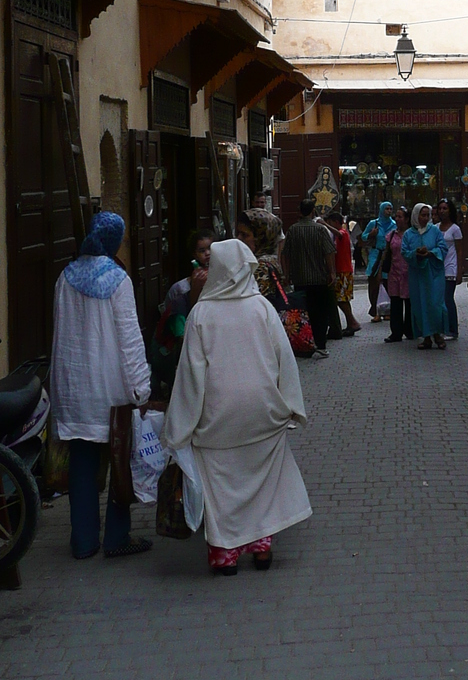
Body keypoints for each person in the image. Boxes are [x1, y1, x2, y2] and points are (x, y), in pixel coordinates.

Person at [164, 240, 311, 576]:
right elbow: (284, 361)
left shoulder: (202, 313)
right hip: (262, 413)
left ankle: (224, 553)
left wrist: (179, 427)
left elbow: (190, 374)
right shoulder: (261, 308)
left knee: (221, 484)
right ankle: (261, 546)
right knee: (261, 479)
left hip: (218, 419)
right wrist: (291, 406)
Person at [49, 211, 152, 561]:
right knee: (119, 459)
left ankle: (83, 542)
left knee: (81, 460)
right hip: (110, 389)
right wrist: (141, 388)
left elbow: (60, 334)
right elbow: (129, 339)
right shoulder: (117, 281)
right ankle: (116, 536)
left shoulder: (65, 277)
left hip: (75, 387)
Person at [149, 231, 213, 397]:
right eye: (202, 250)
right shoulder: (180, 293)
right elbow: (182, 336)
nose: (207, 253)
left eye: (210, 249)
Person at [281, 198, 338, 356]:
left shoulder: (293, 230)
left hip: (300, 278)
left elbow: (285, 254)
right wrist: (331, 272)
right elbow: (329, 252)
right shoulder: (320, 230)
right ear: (313, 211)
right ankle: (320, 345)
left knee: (303, 313)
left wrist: (287, 274)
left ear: (300, 211)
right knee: (320, 313)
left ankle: (305, 342)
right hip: (319, 278)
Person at [402, 202, 447, 351]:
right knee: (419, 304)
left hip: (434, 273)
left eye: (427, 215)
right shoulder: (409, 234)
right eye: (423, 215)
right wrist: (415, 254)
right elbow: (405, 252)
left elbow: (443, 248)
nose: (425, 218)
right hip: (417, 275)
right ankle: (426, 337)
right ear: (416, 215)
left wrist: (431, 253)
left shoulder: (435, 231)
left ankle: (438, 334)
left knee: (436, 304)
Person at [325, 210, 361, 334]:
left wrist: (324, 224)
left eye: (330, 223)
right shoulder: (337, 236)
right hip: (341, 269)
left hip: (343, 270)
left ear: (335, 222)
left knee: (341, 299)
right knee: (342, 299)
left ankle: (353, 322)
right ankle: (351, 322)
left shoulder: (343, 233)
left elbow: (339, 234)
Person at [383, 206, 413, 343]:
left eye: (400, 217)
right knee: (395, 302)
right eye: (397, 216)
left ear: (407, 219)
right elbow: (386, 253)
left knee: (409, 303)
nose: (397, 219)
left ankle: (410, 330)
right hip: (394, 272)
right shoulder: (391, 235)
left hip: (409, 272)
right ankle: (396, 332)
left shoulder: (412, 234)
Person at [360, 201, 394, 319]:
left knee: (387, 282)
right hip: (375, 254)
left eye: (390, 209)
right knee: (374, 282)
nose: (389, 211)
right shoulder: (374, 223)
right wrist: (371, 234)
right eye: (386, 209)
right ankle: (375, 310)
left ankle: (388, 310)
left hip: (388, 254)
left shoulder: (393, 224)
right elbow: (363, 237)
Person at [437, 198, 463, 340]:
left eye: (445, 208)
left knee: (448, 299)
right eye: (440, 208)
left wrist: (459, 271)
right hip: (437, 268)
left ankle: (452, 329)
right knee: (439, 300)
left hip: (450, 267)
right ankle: (441, 328)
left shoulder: (455, 229)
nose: (442, 211)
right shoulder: (435, 227)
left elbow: (459, 251)